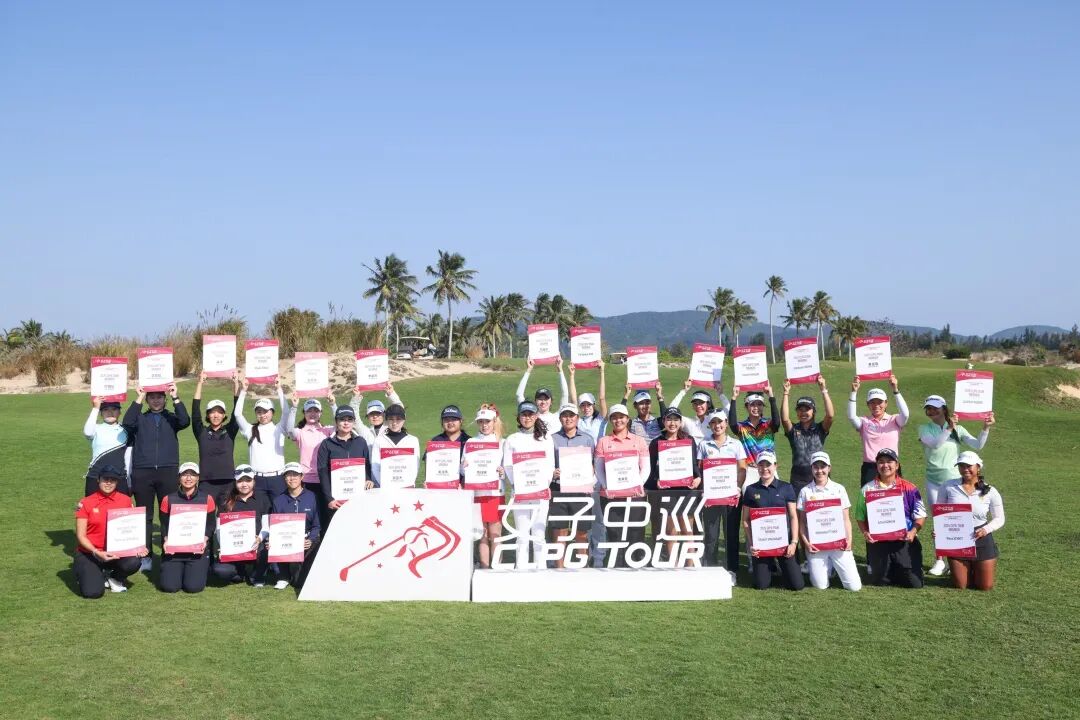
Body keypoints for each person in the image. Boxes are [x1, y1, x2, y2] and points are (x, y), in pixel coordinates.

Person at [919, 395, 995, 576]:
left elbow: (978, 445)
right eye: (928, 408)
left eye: (935, 408)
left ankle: (958, 558)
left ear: (944, 409)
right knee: (939, 520)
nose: (931, 411)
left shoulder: (958, 429)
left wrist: (986, 427)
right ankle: (940, 560)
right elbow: (935, 445)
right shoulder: (924, 429)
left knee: (958, 519)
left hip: (954, 482)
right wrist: (949, 428)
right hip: (933, 481)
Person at [122, 382, 190, 572]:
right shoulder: (140, 418)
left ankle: (170, 553)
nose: (156, 400)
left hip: (167, 471)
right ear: (147, 400)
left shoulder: (171, 418)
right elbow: (127, 422)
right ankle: (146, 557)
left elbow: (185, 421)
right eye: (152, 397)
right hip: (143, 471)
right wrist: (139, 396)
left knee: (168, 514)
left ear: (164, 399)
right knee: (145, 517)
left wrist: (176, 396)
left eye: (159, 397)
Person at [854, 448, 926, 588]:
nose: (885, 465)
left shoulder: (910, 488)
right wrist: (865, 532)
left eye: (889, 462)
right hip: (879, 542)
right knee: (880, 581)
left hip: (903, 540)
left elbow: (921, 515)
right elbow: (860, 516)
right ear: (876, 465)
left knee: (914, 583)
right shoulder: (867, 489)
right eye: (881, 462)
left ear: (897, 465)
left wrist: (913, 532)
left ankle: (905, 566)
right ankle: (888, 567)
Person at [72, 465, 145, 598]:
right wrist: (96, 552)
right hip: (90, 553)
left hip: (116, 552)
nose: (109, 483)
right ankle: (86, 572)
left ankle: (114, 577)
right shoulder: (86, 502)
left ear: (117, 482)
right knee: (93, 593)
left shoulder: (125, 500)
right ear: (98, 480)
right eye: (105, 479)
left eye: (113, 480)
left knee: (134, 562)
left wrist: (138, 547)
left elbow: (132, 527)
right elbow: (81, 536)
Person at [594, 404, 650, 568]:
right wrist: (606, 486)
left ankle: (636, 566)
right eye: (614, 417)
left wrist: (638, 485)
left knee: (635, 533)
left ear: (627, 419)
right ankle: (617, 567)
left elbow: (645, 467)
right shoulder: (604, 442)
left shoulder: (638, 440)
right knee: (614, 533)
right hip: (610, 496)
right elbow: (599, 468)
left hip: (635, 495)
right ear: (611, 420)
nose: (618, 420)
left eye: (621, 417)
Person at [796, 452, 862, 591]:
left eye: (823, 466)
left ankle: (832, 565)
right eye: (816, 467)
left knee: (854, 587)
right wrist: (807, 544)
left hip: (838, 544)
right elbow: (802, 523)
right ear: (811, 469)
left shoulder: (839, 489)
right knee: (821, 586)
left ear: (829, 468)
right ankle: (829, 566)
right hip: (817, 546)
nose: (819, 470)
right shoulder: (805, 491)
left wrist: (849, 540)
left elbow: (846, 519)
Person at [502, 401, 556, 569]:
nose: (527, 418)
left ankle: (541, 567)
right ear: (519, 417)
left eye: (530, 415)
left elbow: (550, 465)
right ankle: (521, 568)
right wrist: (517, 485)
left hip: (540, 493)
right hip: (520, 493)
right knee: (522, 534)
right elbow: (508, 466)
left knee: (539, 533)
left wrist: (544, 485)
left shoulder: (546, 439)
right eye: (524, 415)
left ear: (536, 416)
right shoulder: (512, 439)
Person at [646, 407, 702, 567]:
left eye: (676, 419)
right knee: (671, 532)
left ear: (680, 422)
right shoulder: (656, 442)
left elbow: (694, 464)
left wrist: (698, 478)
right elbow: (651, 469)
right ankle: (674, 567)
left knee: (687, 531)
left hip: (686, 491)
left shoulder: (689, 440)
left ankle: (690, 566)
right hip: (666, 492)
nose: (672, 423)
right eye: (669, 419)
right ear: (663, 421)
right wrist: (656, 481)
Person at [741, 451, 804, 591]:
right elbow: (745, 520)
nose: (764, 468)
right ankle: (770, 566)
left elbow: (793, 516)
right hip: (762, 545)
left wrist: (794, 542)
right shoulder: (751, 490)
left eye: (768, 465)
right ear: (757, 467)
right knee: (761, 585)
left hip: (784, 544)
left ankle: (780, 567)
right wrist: (752, 544)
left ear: (775, 466)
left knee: (797, 585)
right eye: (761, 465)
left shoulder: (786, 487)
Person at [941, 451, 1004, 591]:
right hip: (957, 537)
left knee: (985, 586)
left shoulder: (990, 491)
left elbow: (1000, 518)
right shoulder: (947, 486)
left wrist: (986, 530)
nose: (965, 469)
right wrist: (940, 531)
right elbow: (940, 513)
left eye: (969, 466)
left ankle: (976, 567)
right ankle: (960, 570)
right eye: (961, 466)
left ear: (978, 467)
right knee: (961, 585)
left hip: (981, 537)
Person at [568, 361, 608, 567]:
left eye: (588, 405)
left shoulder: (601, 421)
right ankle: (585, 554)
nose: (585, 408)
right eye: (583, 405)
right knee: (583, 515)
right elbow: (572, 400)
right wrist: (572, 375)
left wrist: (602, 371)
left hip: (598, 470)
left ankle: (599, 556)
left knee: (598, 517)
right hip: (579, 470)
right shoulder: (577, 421)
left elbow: (602, 398)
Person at [698, 410, 747, 575]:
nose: (717, 425)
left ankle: (732, 570)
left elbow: (742, 469)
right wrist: (704, 489)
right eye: (713, 422)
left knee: (731, 535)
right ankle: (710, 569)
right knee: (711, 535)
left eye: (720, 422)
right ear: (709, 425)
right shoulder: (704, 444)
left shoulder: (736, 444)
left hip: (731, 496)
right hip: (711, 497)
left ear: (726, 423)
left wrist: (738, 487)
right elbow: (700, 469)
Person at [550, 403, 596, 568]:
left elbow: (593, 463)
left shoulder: (587, 439)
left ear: (577, 418)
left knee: (581, 530)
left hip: (580, 489)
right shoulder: (552, 439)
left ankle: (582, 566)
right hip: (558, 488)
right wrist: (552, 472)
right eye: (565, 415)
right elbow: (547, 463)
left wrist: (589, 475)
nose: (568, 419)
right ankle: (559, 567)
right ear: (560, 418)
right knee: (559, 530)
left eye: (571, 416)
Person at [158, 462, 216, 594]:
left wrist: (205, 539)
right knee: (170, 587)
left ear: (198, 478)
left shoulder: (207, 499)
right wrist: (166, 539)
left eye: (192, 475)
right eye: (185, 474)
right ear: (179, 477)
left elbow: (211, 524)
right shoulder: (168, 499)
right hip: (174, 551)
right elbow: (164, 524)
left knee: (193, 587)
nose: (188, 478)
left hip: (197, 551)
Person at [211, 465, 272, 586]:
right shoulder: (226, 500)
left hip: (255, 545)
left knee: (267, 549)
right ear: (235, 482)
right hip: (233, 546)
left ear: (254, 481)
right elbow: (219, 529)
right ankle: (239, 573)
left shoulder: (262, 498)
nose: (244, 485)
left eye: (248, 480)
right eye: (240, 481)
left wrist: (259, 539)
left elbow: (266, 526)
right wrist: (224, 545)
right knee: (221, 571)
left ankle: (257, 576)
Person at [464, 404, 507, 569]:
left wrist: (502, 471)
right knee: (482, 533)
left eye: (487, 421)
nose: (484, 425)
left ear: (494, 421)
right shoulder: (470, 442)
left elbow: (508, 469)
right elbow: (463, 468)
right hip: (477, 493)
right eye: (481, 422)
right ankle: (484, 568)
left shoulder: (501, 442)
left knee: (495, 533)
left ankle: (496, 569)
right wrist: (464, 466)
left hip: (495, 493)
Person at [848, 374, 910, 486]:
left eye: (879, 402)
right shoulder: (864, 421)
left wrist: (895, 390)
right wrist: (854, 392)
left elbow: (905, 414)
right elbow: (852, 417)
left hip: (891, 465)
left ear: (886, 403)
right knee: (869, 496)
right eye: (872, 402)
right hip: (870, 467)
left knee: (895, 496)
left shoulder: (894, 419)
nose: (876, 405)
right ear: (868, 404)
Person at [234, 377, 291, 498]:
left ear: (272, 412)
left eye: (266, 411)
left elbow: (286, 412)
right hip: (257, 479)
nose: (262, 415)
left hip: (278, 479)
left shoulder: (280, 428)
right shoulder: (250, 430)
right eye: (259, 412)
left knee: (278, 509)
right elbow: (237, 414)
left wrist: (279, 389)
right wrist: (243, 391)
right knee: (259, 509)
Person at [190, 371, 242, 504]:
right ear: (208, 415)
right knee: (206, 515)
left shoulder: (230, 431)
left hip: (228, 482)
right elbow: (195, 411)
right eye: (212, 412)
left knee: (226, 515)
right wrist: (200, 383)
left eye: (219, 412)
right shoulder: (201, 432)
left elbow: (237, 409)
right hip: (206, 483)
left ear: (224, 415)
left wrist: (236, 383)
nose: (216, 415)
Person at [317, 406, 376, 518]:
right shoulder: (326, 444)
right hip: (336, 501)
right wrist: (329, 499)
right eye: (342, 420)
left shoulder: (361, 442)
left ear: (353, 422)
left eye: (350, 420)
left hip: (358, 498)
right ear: (336, 421)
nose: (346, 423)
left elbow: (367, 465)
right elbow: (322, 473)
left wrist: (368, 479)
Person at [271, 463, 322, 590]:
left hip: (307, 540)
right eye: (288, 475)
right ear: (284, 478)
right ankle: (283, 576)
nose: (292, 478)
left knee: (299, 582)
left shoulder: (313, 497)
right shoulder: (278, 500)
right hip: (287, 541)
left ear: (301, 477)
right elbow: (276, 528)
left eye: (295, 475)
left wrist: (310, 540)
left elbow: (317, 525)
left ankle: (298, 570)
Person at [729, 384, 780, 484]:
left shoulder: (768, 424)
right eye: (752, 404)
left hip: (769, 468)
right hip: (750, 471)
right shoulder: (742, 427)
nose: (756, 408)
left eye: (759, 404)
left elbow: (777, 422)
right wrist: (734, 398)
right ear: (746, 406)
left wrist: (771, 396)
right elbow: (732, 424)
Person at [83, 396, 131, 496]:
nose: (110, 412)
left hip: (120, 478)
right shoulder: (96, 428)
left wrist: (129, 481)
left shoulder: (126, 430)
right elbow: (87, 432)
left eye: (114, 409)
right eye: (105, 410)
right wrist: (95, 408)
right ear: (101, 413)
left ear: (119, 412)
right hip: (95, 476)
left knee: (121, 506)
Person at [371, 405, 421, 489]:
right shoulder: (379, 440)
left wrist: (409, 484)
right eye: (391, 419)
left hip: (407, 488)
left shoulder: (413, 440)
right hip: (386, 488)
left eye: (398, 419)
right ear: (386, 420)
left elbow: (415, 466)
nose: (394, 423)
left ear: (404, 420)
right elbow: (375, 466)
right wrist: (384, 484)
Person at [666, 379, 730, 441]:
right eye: (695, 403)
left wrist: (720, 394)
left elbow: (729, 411)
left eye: (701, 403)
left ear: (709, 404)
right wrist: (683, 391)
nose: (698, 406)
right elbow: (671, 411)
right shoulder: (688, 422)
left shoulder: (714, 421)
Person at [515, 356, 569, 430]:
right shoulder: (531, 418)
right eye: (540, 399)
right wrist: (529, 370)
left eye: (546, 399)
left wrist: (560, 369)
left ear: (551, 402)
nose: (543, 402)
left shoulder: (558, 416)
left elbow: (565, 394)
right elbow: (519, 395)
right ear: (535, 401)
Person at [426, 405, 470, 487]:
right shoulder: (435, 441)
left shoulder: (469, 441)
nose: (450, 423)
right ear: (442, 422)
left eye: (454, 419)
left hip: (464, 489)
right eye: (446, 420)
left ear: (461, 421)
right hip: (440, 487)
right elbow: (429, 466)